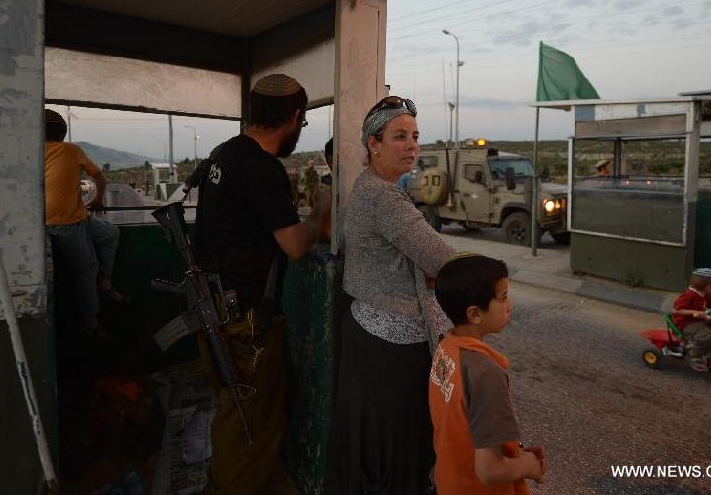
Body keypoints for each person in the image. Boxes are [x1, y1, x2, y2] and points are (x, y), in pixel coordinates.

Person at [195, 73, 330, 494]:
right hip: (245, 318)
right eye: (301, 124)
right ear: (294, 117)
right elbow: (293, 244)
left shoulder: (225, 153)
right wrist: (320, 212)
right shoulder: (260, 167)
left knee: (236, 410)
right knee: (249, 422)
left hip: (217, 306)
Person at [325, 96, 455, 495]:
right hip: (389, 345)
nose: (412, 145)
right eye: (400, 136)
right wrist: (488, 275)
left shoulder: (372, 188)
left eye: (415, 136)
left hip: (372, 334)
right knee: (395, 448)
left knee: (379, 447)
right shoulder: (383, 197)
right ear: (373, 144)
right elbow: (441, 258)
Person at [430, 255, 546, 494]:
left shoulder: (446, 349)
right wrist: (528, 465)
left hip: (450, 481)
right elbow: (489, 470)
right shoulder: (486, 374)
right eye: (503, 298)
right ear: (474, 314)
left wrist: (513, 451)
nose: (510, 305)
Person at [44, 109, 121, 337]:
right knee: (86, 268)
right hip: (65, 222)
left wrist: (91, 202)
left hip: (76, 217)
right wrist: (97, 200)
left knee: (110, 234)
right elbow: (99, 177)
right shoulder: (72, 149)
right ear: (62, 133)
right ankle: (91, 322)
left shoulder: (35, 151)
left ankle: (105, 284)